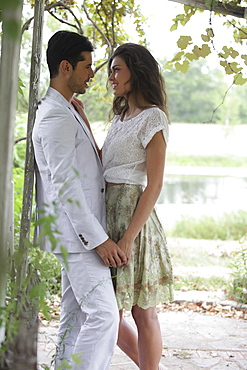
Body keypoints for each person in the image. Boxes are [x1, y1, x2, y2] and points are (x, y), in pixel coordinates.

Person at [32, 30, 127, 370]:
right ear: (65, 67)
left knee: (73, 318)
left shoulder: (65, 109)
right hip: (78, 238)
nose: (92, 73)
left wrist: (83, 116)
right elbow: (65, 185)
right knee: (104, 317)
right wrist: (98, 241)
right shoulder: (56, 115)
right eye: (87, 66)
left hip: (75, 235)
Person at [103, 43, 174, 370]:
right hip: (108, 218)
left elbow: (155, 183)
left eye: (117, 69)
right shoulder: (120, 117)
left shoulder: (153, 117)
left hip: (135, 222)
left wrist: (129, 237)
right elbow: (104, 166)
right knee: (106, 313)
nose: (111, 76)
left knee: (142, 311)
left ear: (137, 70)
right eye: (111, 70)